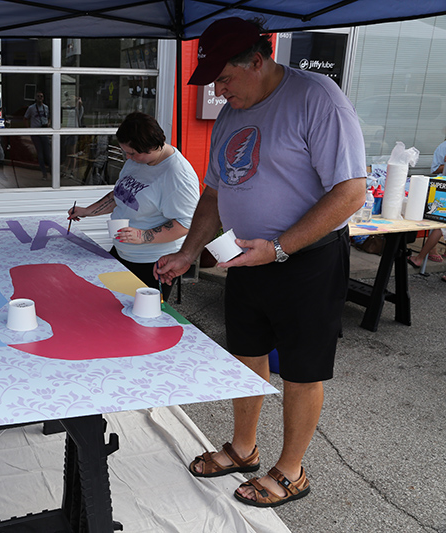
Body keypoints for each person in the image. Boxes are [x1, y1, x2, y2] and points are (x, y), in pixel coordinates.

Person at [155, 17, 366, 507]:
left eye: (225, 78)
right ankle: (244, 448)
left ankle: (292, 471)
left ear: (257, 59)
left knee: (301, 367)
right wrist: (190, 251)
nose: (220, 90)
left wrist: (281, 247)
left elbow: (351, 190)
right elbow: (213, 192)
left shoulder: (316, 97)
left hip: (307, 259)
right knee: (246, 354)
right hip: (246, 256)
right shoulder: (234, 110)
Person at [68, 112, 199, 303]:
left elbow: (185, 224)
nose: (128, 158)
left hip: (152, 263)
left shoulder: (178, 176)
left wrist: (142, 236)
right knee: (106, 308)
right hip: (122, 252)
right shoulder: (137, 161)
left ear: (153, 146)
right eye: (125, 152)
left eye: (132, 153)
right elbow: (120, 195)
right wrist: (88, 211)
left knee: (140, 323)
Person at [24, 91, 51, 179]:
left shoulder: (46, 108)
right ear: (35, 98)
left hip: (44, 130)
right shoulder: (31, 108)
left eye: (41, 96)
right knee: (40, 153)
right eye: (38, 96)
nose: (40, 98)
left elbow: (49, 117)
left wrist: (48, 123)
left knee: (48, 153)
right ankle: (44, 173)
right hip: (36, 131)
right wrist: (29, 129)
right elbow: (25, 118)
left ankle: (51, 172)